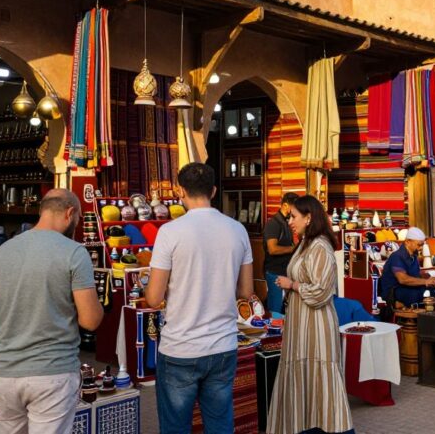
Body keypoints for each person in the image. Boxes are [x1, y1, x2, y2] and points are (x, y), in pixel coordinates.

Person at [145, 163, 254, 434]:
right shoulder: (237, 230)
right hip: (222, 344)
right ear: (214, 191)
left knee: (175, 427)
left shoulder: (170, 232)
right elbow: (245, 291)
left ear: (180, 191)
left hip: (181, 346)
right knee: (219, 425)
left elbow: (153, 297)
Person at [0, 189, 104, 434]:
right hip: (52, 372)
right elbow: (90, 321)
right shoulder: (74, 252)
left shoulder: (2, 252)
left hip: (6, 373)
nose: (77, 224)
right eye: (78, 219)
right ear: (70, 213)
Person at [267, 196, 353, 434]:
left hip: (315, 324)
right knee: (305, 377)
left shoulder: (320, 247)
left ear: (309, 217)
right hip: (301, 323)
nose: (290, 221)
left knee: (319, 376)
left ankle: (329, 427)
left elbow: (320, 292)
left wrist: (292, 285)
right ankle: (307, 426)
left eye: (294, 216)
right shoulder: (306, 243)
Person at [377, 228, 435, 307]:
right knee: (416, 295)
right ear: (408, 242)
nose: (421, 248)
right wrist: (425, 281)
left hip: (407, 288)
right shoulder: (397, 256)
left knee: (433, 291)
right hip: (394, 292)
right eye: (419, 245)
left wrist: (430, 278)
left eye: (422, 245)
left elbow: (415, 275)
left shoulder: (413, 256)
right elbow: (403, 279)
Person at [263, 192, 300, 314]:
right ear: (285, 205)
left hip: (285, 273)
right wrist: (293, 249)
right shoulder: (273, 224)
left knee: (284, 310)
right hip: (275, 273)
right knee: (276, 310)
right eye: (294, 207)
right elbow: (272, 249)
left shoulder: (286, 222)